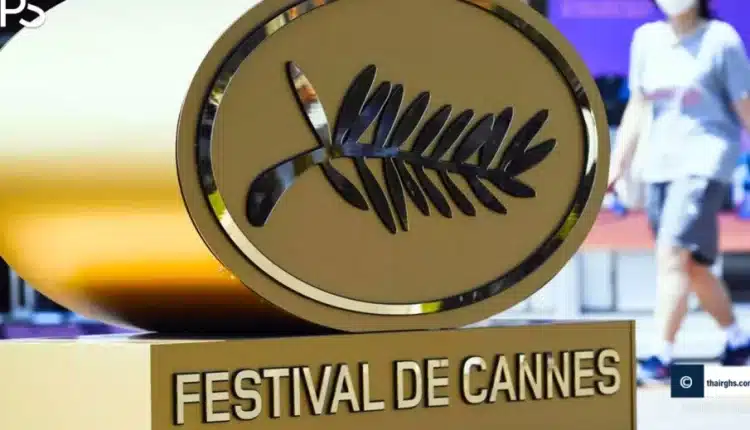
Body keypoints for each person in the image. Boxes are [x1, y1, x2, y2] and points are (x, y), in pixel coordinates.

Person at [609, 0, 750, 383]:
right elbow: (637, 107)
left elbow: (745, 107)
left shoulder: (721, 40)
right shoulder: (647, 39)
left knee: (672, 256)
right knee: (694, 265)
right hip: (659, 165)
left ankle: (661, 355)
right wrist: (618, 163)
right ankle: (737, 340)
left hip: (705, 161)